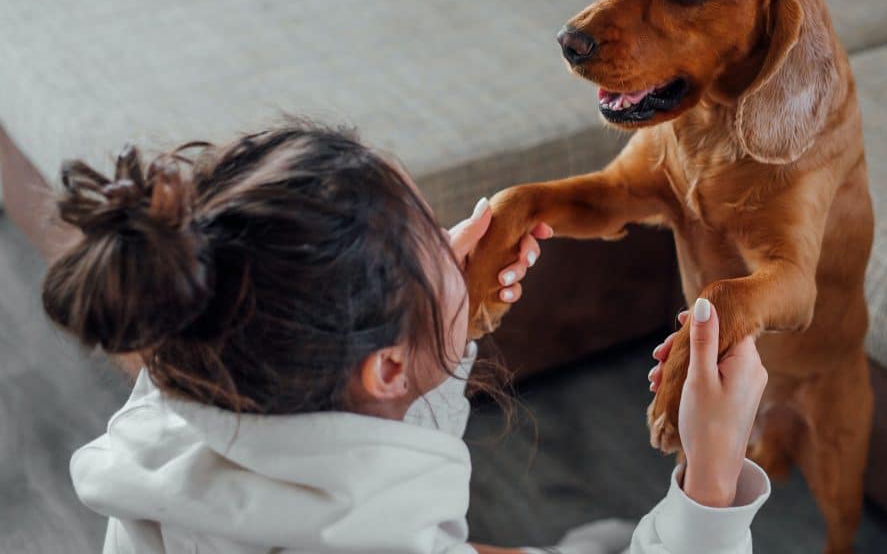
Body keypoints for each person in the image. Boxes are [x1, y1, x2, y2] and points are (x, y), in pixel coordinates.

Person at [43, 123, 770, 553]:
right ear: (384, 369)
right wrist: (712, 473)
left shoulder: (190, 368)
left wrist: (434, 332)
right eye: (432, 243)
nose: (454, 244)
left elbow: (352, 438)